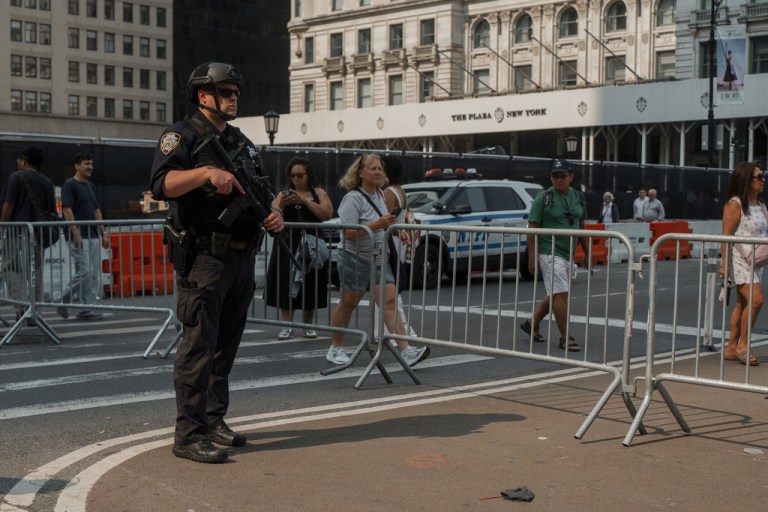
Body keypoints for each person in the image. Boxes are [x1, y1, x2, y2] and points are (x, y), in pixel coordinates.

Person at [149, 62, 284, 464]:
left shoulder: (242, 140)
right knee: (198, 348)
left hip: (242, 255)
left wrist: (275, 212)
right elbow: (160, 185)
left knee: (225, 347)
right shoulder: (181, 135)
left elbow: (263, 188)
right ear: (203, 95)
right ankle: (188, 435)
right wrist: (206, 172)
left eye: (236, 92)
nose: (233, 97)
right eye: (225, 91)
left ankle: (213, 420)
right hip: (205, 256)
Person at [328, 154, 429, 367]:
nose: (377, 172)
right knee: (348, 304)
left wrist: (395, 232)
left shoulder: (381, 194)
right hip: (354, 257)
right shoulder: (353, 198)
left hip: (378, 256)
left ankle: (406, 351)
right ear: (360, 173)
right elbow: (347, 233)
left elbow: (384, 224)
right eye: (372, 168)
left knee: (389, 301)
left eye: (380, 169)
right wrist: (378, 224)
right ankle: (335, 348)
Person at [521, 158, 589, 352]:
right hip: (549, 252)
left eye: (563, 176)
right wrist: (533, 258)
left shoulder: (578, 198)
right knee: (561, 294)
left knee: (556, 293)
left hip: (568, 253)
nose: (559, 180)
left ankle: (531, 323)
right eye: (555, 176)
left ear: (571, 177)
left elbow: (581, 225)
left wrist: (587, 252)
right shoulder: (543, 198)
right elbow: (532, 229)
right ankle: (564, 338)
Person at [266, 157, 333, 340]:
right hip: (288, 242)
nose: (296, 179)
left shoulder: (318, 192)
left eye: (300, 175)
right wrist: (281, 205)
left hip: (311, 242)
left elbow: (327, 213)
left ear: (308, 175)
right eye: (292, 175)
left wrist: (305, 201)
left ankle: (308, 325)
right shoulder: (284, 193)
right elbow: (273, 212)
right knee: (286, 281)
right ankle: (287, 326)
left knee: (311, 281)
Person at [0, 147, 56, 325]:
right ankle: (34, 311)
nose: (17, 163)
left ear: (24, 161)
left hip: (16, 233)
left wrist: (2, 226)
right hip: (38, 234)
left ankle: (22, 304)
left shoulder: (16, 177)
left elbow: (9, 205)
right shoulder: (47, 182)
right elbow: (51, 211)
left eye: (19, 159)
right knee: (36, 273)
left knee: (10, 268)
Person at [720, 161, 767, 366]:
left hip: (758, 262)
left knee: (742, 304)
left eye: (762, 175)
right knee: (756, 300)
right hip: (741, 260)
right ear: (747, 181)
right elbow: (725, 236)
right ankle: (743, 346)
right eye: (758, 176)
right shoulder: (735, 204)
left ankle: (730, 348)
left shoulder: (761, 205)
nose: (763, 179)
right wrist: (724, 265)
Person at [55, 153, 109, 320]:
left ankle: (86, 309)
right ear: (77, 166)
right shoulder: (69, 185)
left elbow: (96, 210)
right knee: (85, 271)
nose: (90, 167)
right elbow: (67, 209)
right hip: (78, 236)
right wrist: (75, 232)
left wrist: (103, 232)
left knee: (91, 274)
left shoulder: (90, 186)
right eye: (86, 164)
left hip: (92, 235)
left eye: (91, 164)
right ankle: (60, 296)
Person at [372, 155, 418, 340]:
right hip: (397, 239)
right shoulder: (400, 190)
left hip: (390, 240)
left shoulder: (389, 192)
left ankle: (402, 330)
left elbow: (384, 219)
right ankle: (386, 331)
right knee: (388, 288)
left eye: (380, 168)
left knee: (387, 287)